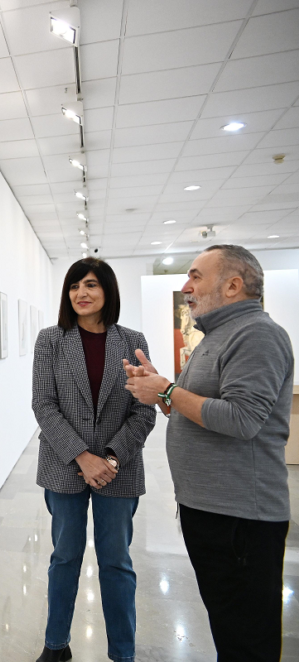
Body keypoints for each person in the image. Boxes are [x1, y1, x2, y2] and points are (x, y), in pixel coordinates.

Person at [123, 245, 293, 661]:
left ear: (233, 285)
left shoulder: (257, 334)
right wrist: (163, 392)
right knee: (231, 628)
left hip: (241, 518)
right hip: (216, 511)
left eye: (196, 276)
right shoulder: (218, 336)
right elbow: (202, 407)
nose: (186, 286)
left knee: (246, 640)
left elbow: (242, 419)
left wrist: (166, 390)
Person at [32, 258, 157, 662]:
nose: (81, 293)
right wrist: (83, 457)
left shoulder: (133, 340)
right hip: (65, 466)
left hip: (118, 470)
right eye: (73, 286)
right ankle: (56, 646)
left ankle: (123, 653)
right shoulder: (50, 340)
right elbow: (43, 404)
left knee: (117, 563)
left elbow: (144, 410)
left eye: (90, 285)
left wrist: (112, 457)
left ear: (108, 291)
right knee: (64, 558)